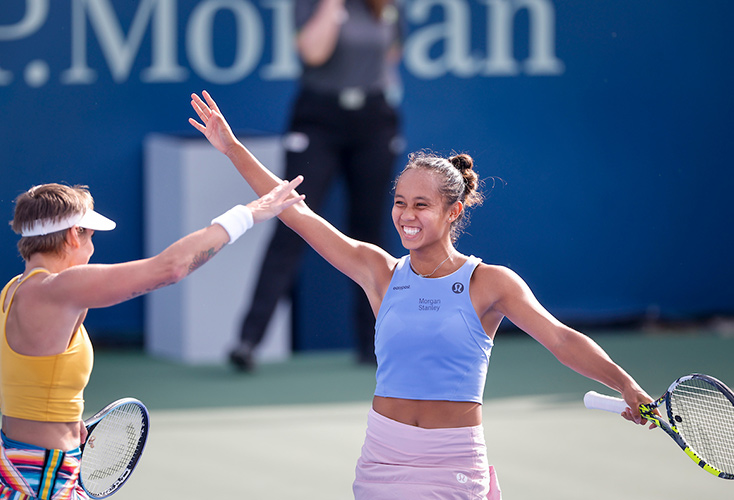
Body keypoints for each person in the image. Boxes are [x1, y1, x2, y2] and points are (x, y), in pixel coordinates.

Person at [190, 90, 655, 499]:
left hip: (452, 465)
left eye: (421, 205)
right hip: (381, 460)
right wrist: (231, 149)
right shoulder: (379, 272)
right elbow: (295, 211)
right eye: (399, 202)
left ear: (453, 211)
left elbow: (560, 339)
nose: (406, 215)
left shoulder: (490, 283)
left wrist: (628, 386)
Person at [0, 179, 303, 499]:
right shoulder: (58, 290)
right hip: (41, 478)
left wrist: (66, 420)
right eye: (90, 237)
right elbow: (170, 269)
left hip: (15, 466)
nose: (92, 249)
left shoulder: (11, 294)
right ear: (73, 235)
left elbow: (32, 385)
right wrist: (247, 214)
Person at [228, 0, 404, 370]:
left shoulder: (386, 4)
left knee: (370, 233)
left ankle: (374, 344)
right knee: (291, 220)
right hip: (318, 119)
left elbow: (391, 52)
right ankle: (249, 340)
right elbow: (314, 51)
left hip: (374, 121)